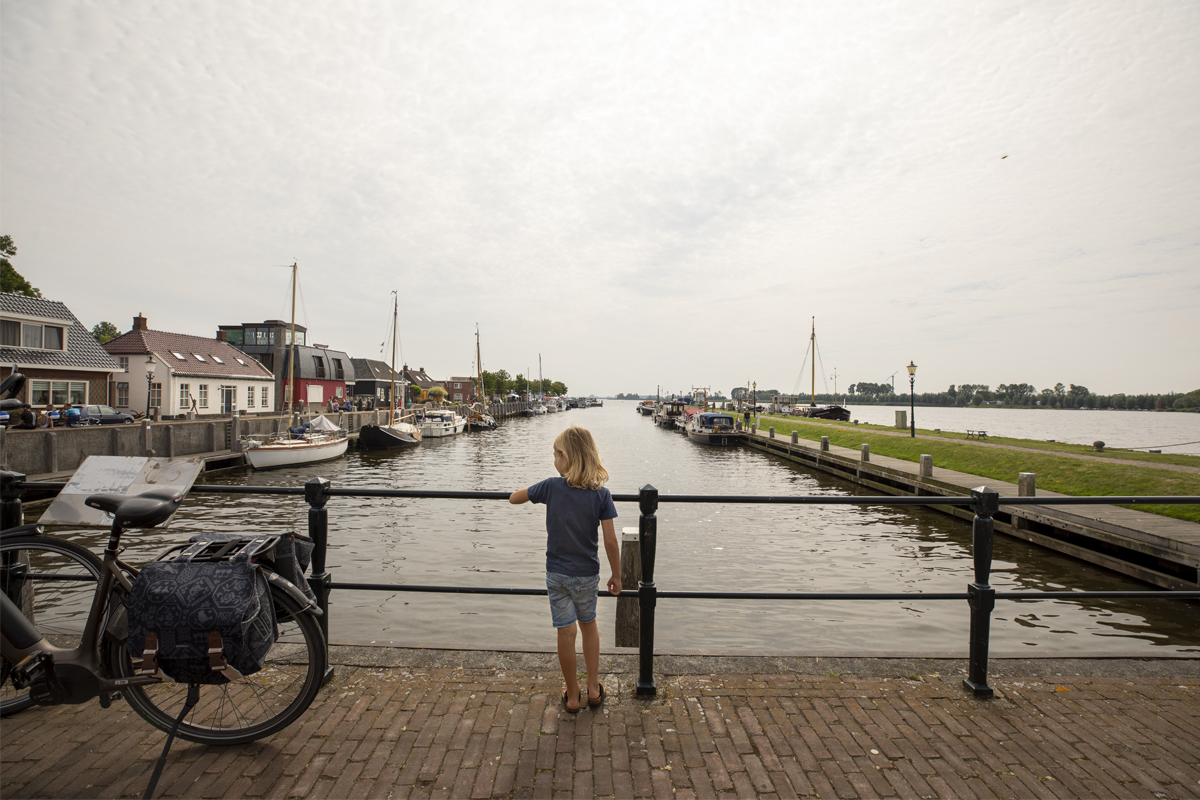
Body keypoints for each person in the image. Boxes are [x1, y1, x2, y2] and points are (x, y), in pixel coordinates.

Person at [509, 426, 620, 714]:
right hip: (587, 574)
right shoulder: (601, 494)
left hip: (556, 574)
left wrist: (526, 492)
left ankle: (572, 696)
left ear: (565, 457)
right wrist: (617, 574)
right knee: (589, 626)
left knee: (565, 633)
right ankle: (594, 689)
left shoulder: (550, 487)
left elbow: (514, 498)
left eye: (555, 455)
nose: (553, 461)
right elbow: (610, 541)